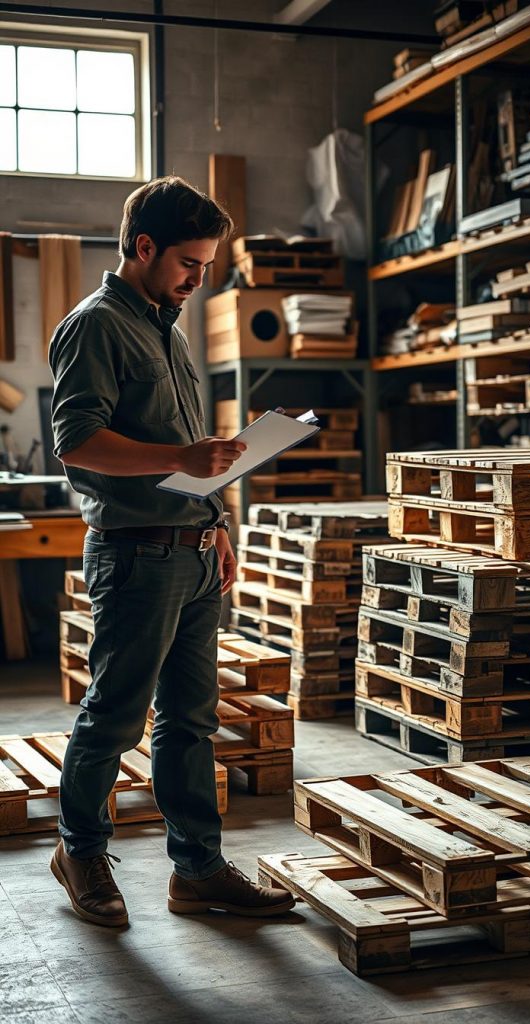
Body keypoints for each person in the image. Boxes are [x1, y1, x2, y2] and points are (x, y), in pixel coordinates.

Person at [48, 175, 294, 926]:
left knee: (189, 718)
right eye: (189, 263)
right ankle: (79, 852)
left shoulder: (166, 326)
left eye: (206, 266)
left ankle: (198, 869)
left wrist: (215, 522)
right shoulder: (96, 325)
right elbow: (78, 443)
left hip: (190, 553)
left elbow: (192, 455)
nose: (197, 278)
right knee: (114, 718)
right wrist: (179, 458)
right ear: (143, 247)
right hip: (134, 558)